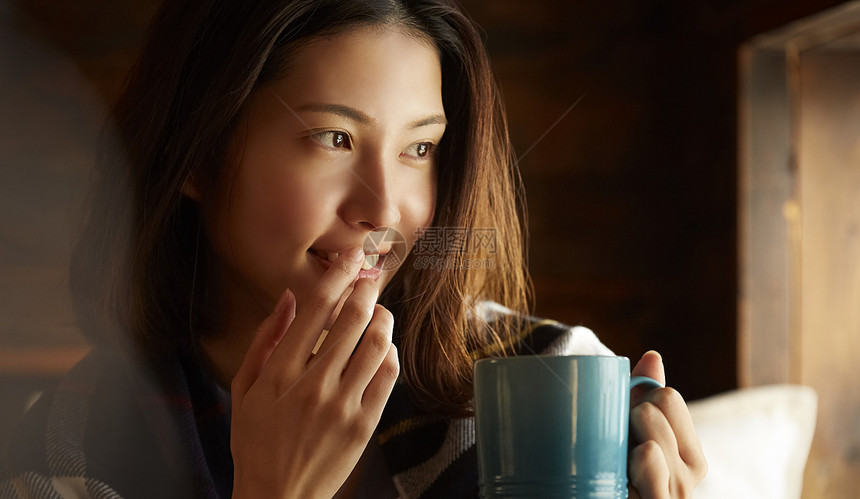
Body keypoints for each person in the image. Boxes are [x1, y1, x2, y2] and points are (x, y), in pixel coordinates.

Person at [0, 1, 707, 498]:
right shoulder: (77, 439)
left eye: (419, 148)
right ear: (197, 155)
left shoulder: (554, 381)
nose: (383, 207)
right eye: (333, 138)